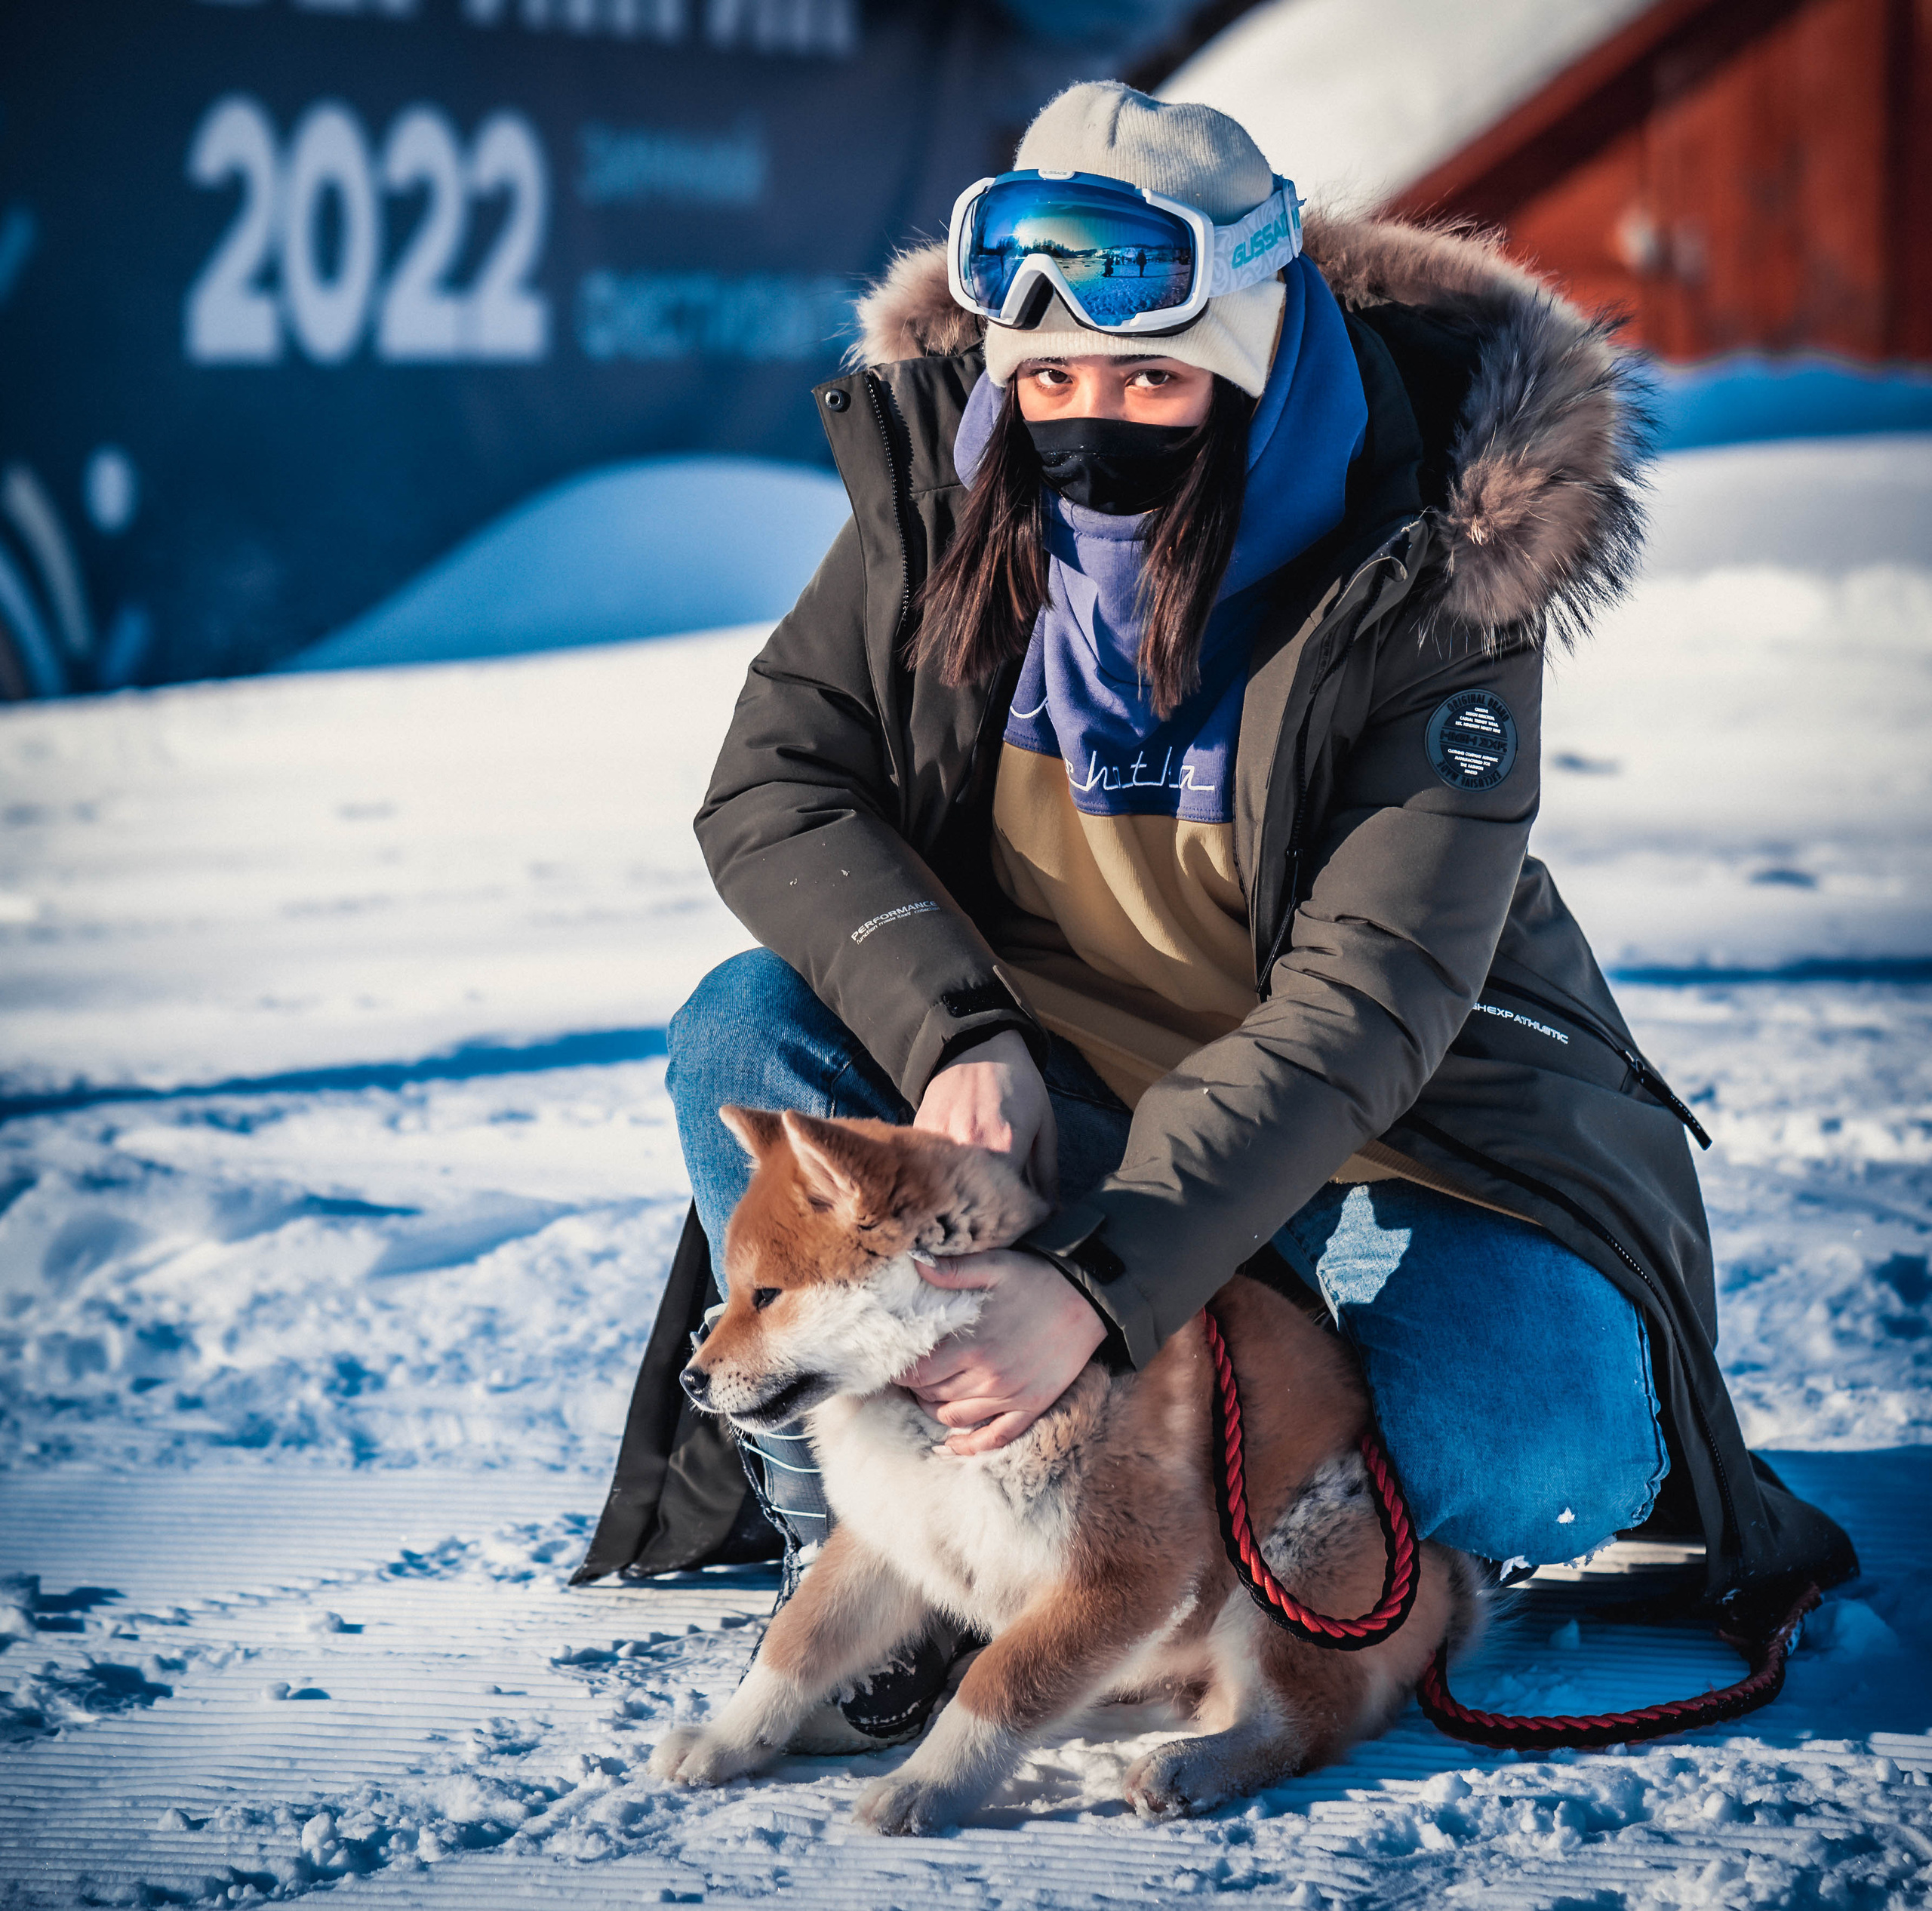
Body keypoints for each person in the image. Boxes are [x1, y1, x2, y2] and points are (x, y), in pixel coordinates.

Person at [577, 82, 1853, 1743]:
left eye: (1150, 377)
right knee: (745, 1031)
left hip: (1400, 1125)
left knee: (1529, 1446)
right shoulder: (944, 492)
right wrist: (952, 1030)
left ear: (1250, 360)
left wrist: (1099, 1293)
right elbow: (776, 789)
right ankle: (892, 1542)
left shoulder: (1427, 558)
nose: (1085, 423)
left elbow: (1365, 1001)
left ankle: (1245, 1496)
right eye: (1043, 379)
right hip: (1055, 1100)